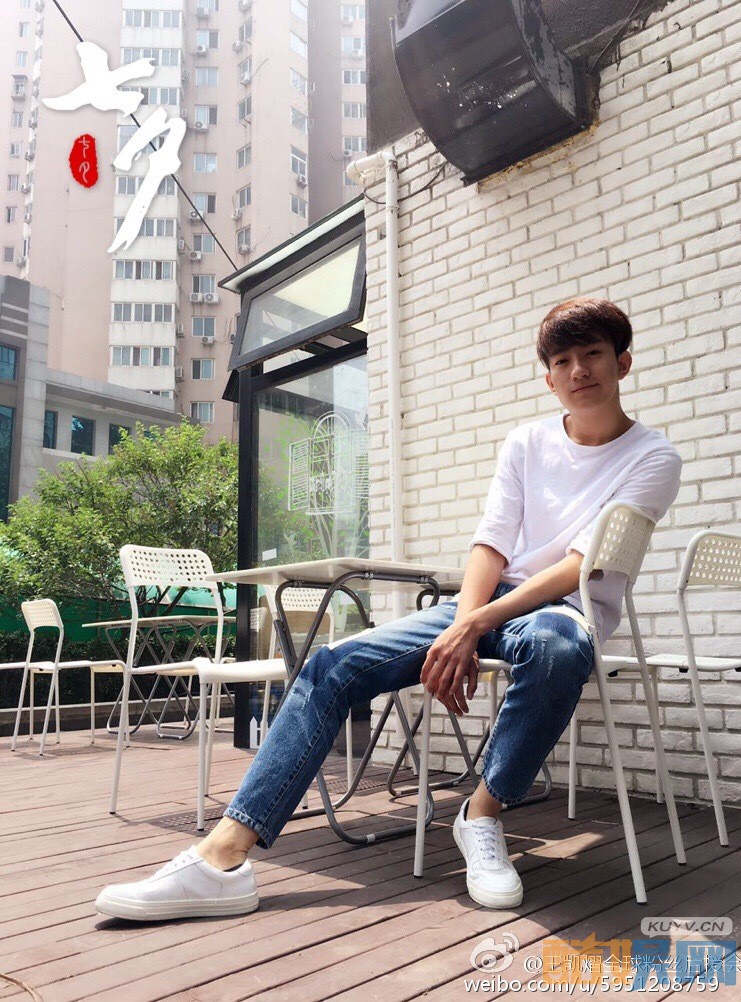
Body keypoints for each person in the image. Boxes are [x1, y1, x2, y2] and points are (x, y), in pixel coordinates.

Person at [95, 297, 681, 920]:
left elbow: (581, 565)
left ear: (622, 363)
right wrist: (465, 620)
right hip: (485, 600)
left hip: (561, 608)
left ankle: (481, 815)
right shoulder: (526, 443)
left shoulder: (654, 457)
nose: (578, 370)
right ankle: (222, 859)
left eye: (592, 354)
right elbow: (490, 543)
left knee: (557, 649)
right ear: (548, 378)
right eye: (562, 361)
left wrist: (472, 626)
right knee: (331, 665)